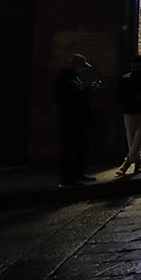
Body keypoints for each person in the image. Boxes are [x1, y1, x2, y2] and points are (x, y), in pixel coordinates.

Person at [54, 53, 98, 187]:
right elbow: (70, 99)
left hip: (78, 119)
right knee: (69, 149)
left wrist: (88, 90)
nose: (83, 69)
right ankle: (67, 178)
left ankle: (79, 174)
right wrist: (88, 91)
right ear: (75, 66)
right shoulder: (63, 79)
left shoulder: (73, 78)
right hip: (70, 120)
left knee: (83, 146)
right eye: (82, 67)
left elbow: (78, 95)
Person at [115, 55, 141, 176]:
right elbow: (119, 95)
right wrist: (134, 97)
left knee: (139, 139)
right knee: (132, 139)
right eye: (136, 65)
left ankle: (126, 163)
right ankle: (138, 163)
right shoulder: (126, 78)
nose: (139, 67)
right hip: (130, 111)